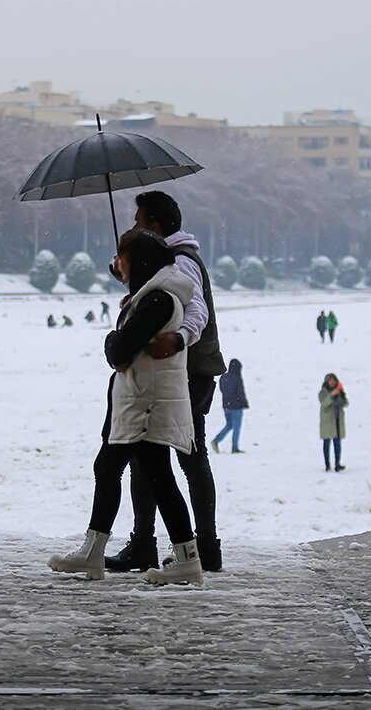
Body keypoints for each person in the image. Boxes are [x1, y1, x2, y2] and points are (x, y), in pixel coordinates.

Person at [47, 228, 203, 586]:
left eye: (122, 256)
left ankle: (95, 553)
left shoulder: (157, 300)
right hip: (143, 401)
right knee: (153, 475)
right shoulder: (152, 297)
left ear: (141, 261)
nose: (116, 263)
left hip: (144, 404)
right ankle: (184, 558)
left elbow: (119, 352)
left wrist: (111, 339)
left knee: (112, 468)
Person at [107, 191, 226, 574]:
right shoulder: (169, 259)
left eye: (138, 220)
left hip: (185, 373)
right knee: (173, 457)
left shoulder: (178, 261)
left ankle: (165, 544)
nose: (133, 226)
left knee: (164, 457)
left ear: (154, 224)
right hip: (189, 371)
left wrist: (178, 339)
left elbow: (196, 309)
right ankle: (198, 546)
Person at [213, 358, 248, 453]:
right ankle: (234, 447)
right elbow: (240, 392)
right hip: (236, 407)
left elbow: (222, 390)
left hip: (226, 406)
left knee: (229, 425)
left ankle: (216, 441)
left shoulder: (223, 377)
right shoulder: (237, 378)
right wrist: (244, 403)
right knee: (236, 426)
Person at [318, 373, 348, 472]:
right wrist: (332, 395)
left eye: (333, 380)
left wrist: (342, 394)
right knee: (326, 443)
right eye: (330, 381)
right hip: (327, 422)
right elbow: (324, 403)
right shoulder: (323, 392)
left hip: (338, 420)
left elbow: (346, 403)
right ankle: (327, 464)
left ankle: (337, 464)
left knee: (337, 443)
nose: (332, 382)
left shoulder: (339, 392)